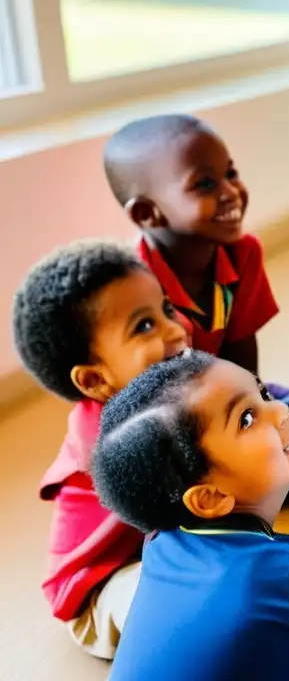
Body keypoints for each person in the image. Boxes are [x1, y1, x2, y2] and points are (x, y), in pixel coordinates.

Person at [90, 351, 289, 681]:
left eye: (264, 392)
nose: (282, 410)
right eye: (247, 419)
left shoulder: (158, 543)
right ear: (209, 498)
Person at [103, 114, 289, 459]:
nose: (231, 193)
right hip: (164, 421)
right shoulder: (132, 286)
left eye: (231, 174)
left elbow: (242, 351)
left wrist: (252, 413)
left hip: (223, 401)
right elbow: (140, 398)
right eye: (205, 185)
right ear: (147, 214)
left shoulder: (243, 254)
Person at [11, 240, 189, 659]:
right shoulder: (111, 444)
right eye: (144, 326)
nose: (175, 329)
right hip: (102, 586)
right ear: (94, 381)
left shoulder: (162, 392)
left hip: (153, 547)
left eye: (166, 309)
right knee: (181, 599)